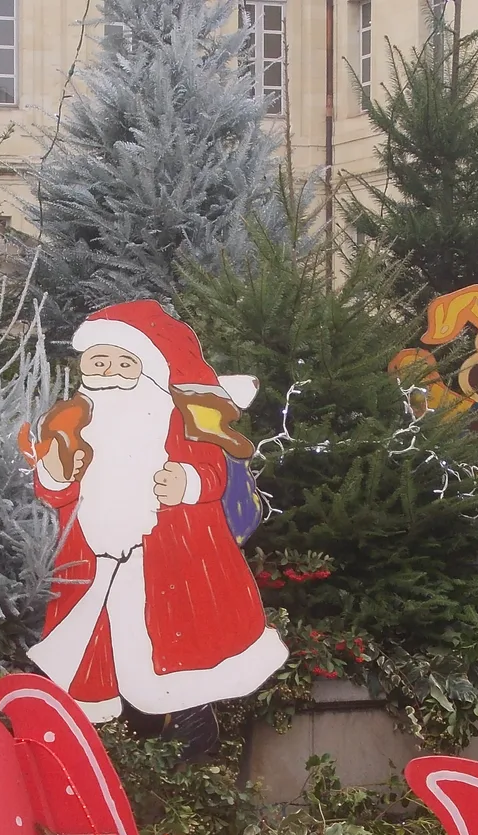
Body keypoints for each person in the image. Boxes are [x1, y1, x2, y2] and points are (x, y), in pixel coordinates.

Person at [22, 300, 287, 749]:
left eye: (124, 362)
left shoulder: (176, 418)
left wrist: (186, 481)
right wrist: (54, 474)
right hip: (92, 560)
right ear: (84, 363)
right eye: (99, 360)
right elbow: (57, 489)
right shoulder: (74, 420)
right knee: (95, 654)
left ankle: (189, 741)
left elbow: (213, 473)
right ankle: (122, 748)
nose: (110, 371)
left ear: (145, 368)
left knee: (174, 655)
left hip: (170, 558)